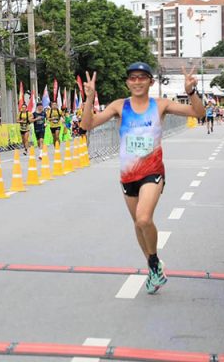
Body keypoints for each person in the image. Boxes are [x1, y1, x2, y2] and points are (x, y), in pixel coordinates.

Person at [79, 63, 205, 295]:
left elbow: (199, 113)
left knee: (144, 218)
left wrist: (191, 92)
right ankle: (153, 267)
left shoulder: (160, 105)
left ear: (150, 82)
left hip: (152, 171)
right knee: (138, 224)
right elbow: (87, 125)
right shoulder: (119, 106)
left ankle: (154, 261)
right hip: (128, 175)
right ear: (127, 82)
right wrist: (89, 98)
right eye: (133, 78)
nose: (137, 82)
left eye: (142, 77)